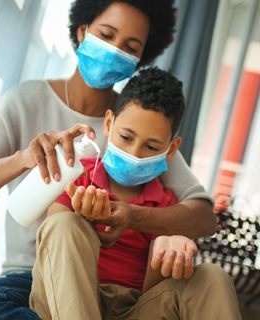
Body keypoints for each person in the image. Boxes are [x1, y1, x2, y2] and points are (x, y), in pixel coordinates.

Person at [0, 1, 217, 319]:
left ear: (139, 60)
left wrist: (132, 216)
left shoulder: (135, 125)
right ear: (83, 30)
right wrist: (22, 159)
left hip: (108, 281)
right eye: (107, 34)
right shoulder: (25, 102)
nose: (116, 50)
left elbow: (202, 216)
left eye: (130, 47)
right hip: (31, 274)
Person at [29, 67, 241, 319]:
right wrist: (81, 214)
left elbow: (155, 293)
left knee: (212, 276)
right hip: (63, 300)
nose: (135, 153)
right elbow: (53, 236)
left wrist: (164, 252)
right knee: (64, 223)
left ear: (171, 149)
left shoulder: (166, 206)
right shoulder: (77, 175)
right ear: (109, 123)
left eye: (151, 146)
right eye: (126, 137)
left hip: (132, 309)